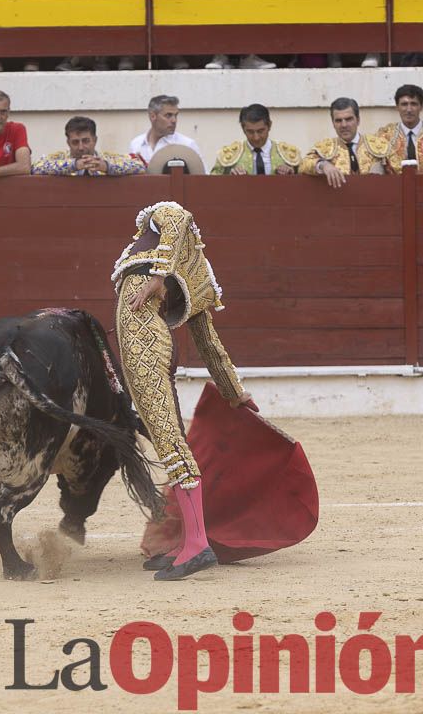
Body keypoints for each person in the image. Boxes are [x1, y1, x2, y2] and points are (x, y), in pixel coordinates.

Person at [111, 200, 254, 580]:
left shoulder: (164, 217)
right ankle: (188, 540)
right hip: (150, 339)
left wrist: (159, 276)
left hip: (144, 339)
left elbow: (177, 216)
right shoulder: (195, 274)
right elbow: (208, 343)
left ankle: (196, 546)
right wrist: (234, 392)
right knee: (170, 438)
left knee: (168, 441)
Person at [299, 97, 396, 188]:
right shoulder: (325, 147)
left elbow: (397, 171)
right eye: (338, 121)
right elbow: (303, 165)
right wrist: (323, 165)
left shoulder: (379, 145)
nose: (344, 125)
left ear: (358, 120)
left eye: (348, 119)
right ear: (333, 124)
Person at [373, 84, 423, 172]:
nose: (409, 110)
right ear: (397, 107)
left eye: (413, 104)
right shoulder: (384, 137)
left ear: (421, 107)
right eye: (404, 104)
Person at [32, 116, 146, 176]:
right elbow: (36, 168)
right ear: (68, 143)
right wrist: (74, 165)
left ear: (95, 140)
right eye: (75, 142)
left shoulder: (106, 158)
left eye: (86, 141)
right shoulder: (58, 158)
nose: (81, 147)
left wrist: (106, 167)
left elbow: (140, 166)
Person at [210, 104, 301, 175]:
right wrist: (229, 176)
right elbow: (213, 184)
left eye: (260, 131)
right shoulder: (229, 154)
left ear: (269, 126)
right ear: (243, 128)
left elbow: (303, 183)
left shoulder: (288, 155)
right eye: (250, 132)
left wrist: (292, 174)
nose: (256, 137)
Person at [128, 94, 202, 165]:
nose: (174, 120)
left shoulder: (187, 145)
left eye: (176, 115)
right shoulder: (136, 144)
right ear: (153, 116)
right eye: (168, 115)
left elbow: (202, 173)